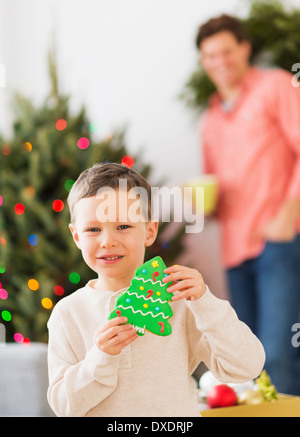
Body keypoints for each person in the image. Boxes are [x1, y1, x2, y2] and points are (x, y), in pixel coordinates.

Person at [46, 162, 265, 417]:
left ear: (149, 231)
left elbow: (246, 367)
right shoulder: (67, 314)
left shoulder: (181, 300)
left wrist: (206, 302)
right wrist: (101, 358)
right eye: (93, 229)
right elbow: (63, 407)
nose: (108, 241)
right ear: (76, 237)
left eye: (123, 226)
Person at [196, 14, 300, 395]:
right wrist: (202, 206)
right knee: (248, 358)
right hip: (234, 251)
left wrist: (289, 213)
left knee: (278, 353)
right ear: (203, 62)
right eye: (210, 56)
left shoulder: (276, 86)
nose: (219, 61)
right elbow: (215, 189)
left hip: (279, 241)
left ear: (244, 49)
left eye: (226, 51)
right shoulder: (210, 119)